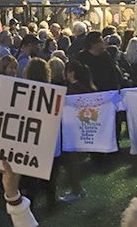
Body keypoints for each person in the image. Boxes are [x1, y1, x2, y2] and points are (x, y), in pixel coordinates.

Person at [58, 60, 96, 203]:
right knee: (73, 162)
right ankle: (77, 189)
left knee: (71, 162)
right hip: (80, 130)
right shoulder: (85, 87)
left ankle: (77, 190)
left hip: (71, 131)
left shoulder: (73, 90)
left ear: (71, 73)